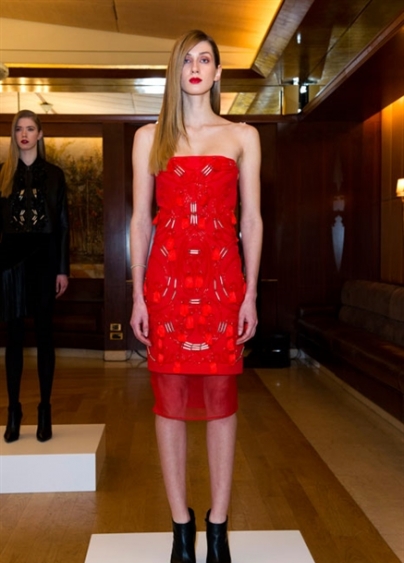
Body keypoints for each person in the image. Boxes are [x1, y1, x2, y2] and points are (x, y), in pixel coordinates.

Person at [130, 30, 262, 563]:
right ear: (175, 69)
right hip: (165, 289)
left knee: (222, 404)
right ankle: (181, 531)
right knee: (169, 406)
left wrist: (250, 295)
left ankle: (219, 530)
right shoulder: (149, 137)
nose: (195, 67)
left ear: (217, 72)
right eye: (187, 59)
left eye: (205, 59)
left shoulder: (243, 136)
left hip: (222, 287)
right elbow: (141, 221)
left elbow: (251, 221)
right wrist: (138, 295)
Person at [0, 109, 69, 443]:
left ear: (40, 134)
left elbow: (64, 226)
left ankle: (45, 410)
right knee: (13, 339)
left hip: (45, 261)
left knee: (44, 337)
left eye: (30, 129)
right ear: (14, 135)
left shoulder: (55, 175)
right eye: (19, 129)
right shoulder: (2, 174)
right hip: (10, 264)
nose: (24, 134)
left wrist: (63, 269)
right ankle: (13, 411)